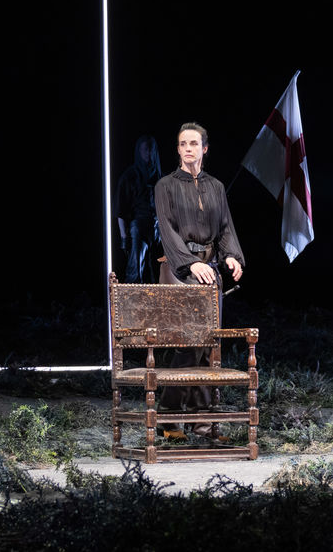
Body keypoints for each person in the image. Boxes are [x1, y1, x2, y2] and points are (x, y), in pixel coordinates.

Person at [154, 122, 245, 438]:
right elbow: (167, 231)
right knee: (188, 343)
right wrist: (191, 264)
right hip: (178, 270)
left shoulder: (216, 186)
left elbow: (225, 228)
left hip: (210, 272)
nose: (187, 148)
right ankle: (168, 418)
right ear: (178, 149)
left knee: (208, 346)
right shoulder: (165, 185)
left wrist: (231, 256)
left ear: (204, 149)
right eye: (183, 144)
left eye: (193, 143)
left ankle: (202, 423)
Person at [114, 135, 161, 283]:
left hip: (158, 228)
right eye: (145, 150)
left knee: (158, 271)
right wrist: (124, 237)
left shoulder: (159, 176)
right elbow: (120, 210)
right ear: (140, 151)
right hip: (138, 226)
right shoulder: (130, 176)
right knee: (135, 272)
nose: (149, 153)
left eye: (151, 150)